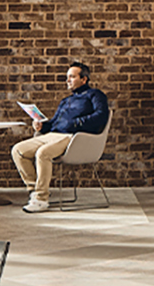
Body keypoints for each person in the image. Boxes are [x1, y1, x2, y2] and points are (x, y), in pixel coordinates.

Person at [11, 60, 110, 213]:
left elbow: (101, 116)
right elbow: (54, 123)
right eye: (67, 77)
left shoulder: (95, 95)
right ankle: (35, 191)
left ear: (84, 79)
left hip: (73, 137)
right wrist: (42, 126)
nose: (68, 80)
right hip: (53, 134)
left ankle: (41, 199)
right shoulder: (66, 101)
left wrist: (76, 123)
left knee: (43, 154)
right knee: (18, 150)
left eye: (72, 77)